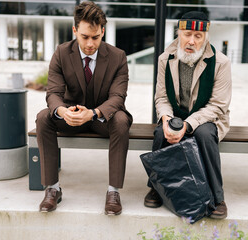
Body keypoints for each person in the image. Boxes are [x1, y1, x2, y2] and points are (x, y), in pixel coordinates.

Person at [36, 1, 132, 215]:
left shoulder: (118, 57)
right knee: (43, 117)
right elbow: (53, 93)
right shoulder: (61, 53)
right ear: (75, 31)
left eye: (96, 37)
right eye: (84, 37)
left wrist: (94, 113)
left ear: (103, 31)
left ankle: (113, 191)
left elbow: (118, 97)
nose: (90, 43)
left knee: (121, 120)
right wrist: (62, 111)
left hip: (102, 119)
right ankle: (52, 188)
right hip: (70, 117)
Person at [144, 11, 232, 219]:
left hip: (208, 118)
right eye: (187, 34)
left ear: (206, 37)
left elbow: (218, 106)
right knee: (160, 134)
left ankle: (218, 197)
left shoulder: (221, 62)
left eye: (198, 36)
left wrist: (188, 125)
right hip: (175, 115)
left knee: (203, 135)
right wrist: (166, 119)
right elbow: (162, 98)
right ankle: (157, 188)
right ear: (179, 33)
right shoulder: (165, 59)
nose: (191, 41)